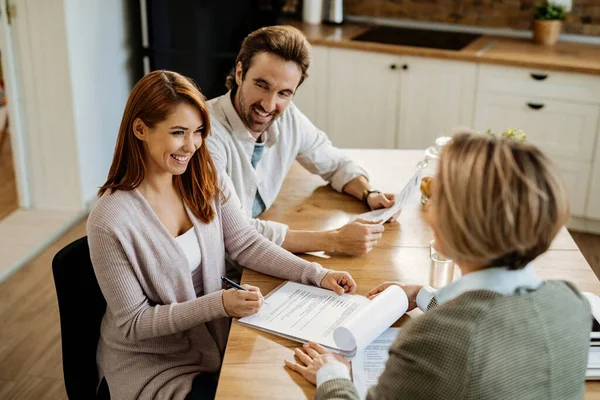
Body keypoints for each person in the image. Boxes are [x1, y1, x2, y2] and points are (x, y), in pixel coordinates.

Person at [86, 70, 357, 400]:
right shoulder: (109, 219)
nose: (192, 145)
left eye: (198, 131)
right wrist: (219, 304)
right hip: (155, 365)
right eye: (178, 132)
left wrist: (318, 273)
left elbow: (246, 243)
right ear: (140, 129)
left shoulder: (203, 177)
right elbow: (134, 323)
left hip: (216, 341)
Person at [285, 131, 592, 399]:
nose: (428, 206)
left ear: (464, 222)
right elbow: (497, 324)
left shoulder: (432, 340)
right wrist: (422, 294)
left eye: (438, 196)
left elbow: (464, 339)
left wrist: (332, 375)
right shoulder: (571, 303)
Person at [206, 25, 395, 257]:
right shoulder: (205, 134)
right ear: (239, 72)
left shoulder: (288, 118)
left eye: (284, 93)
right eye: (261, 85)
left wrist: (370, 194)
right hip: (223, 264)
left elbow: (335, 163)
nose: (268, 104)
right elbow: (237, 232)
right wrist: (333, 240)